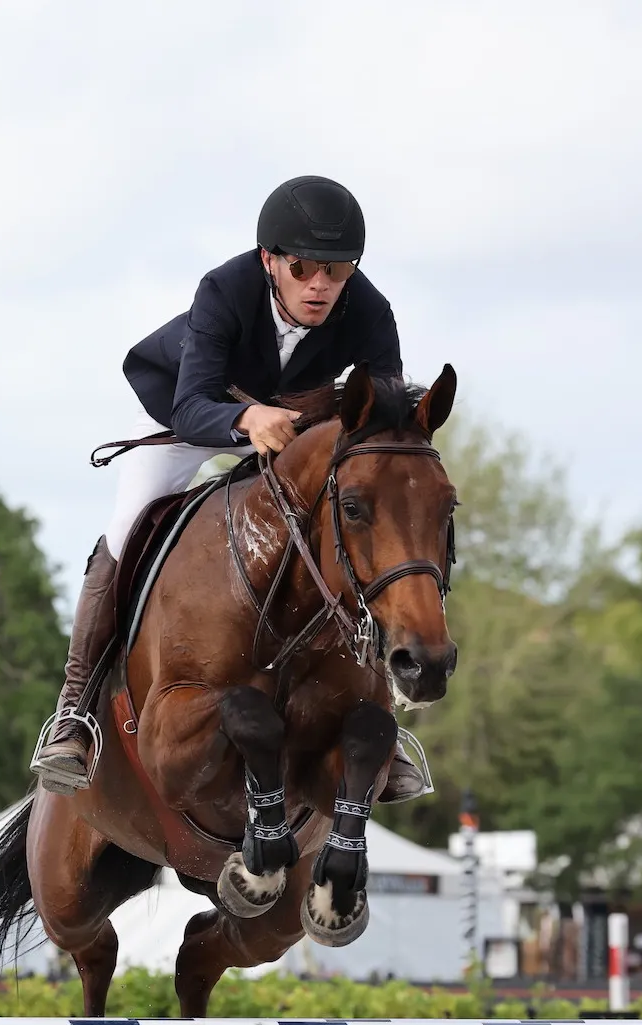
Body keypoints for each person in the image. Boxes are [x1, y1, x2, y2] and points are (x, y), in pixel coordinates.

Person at [32, 174, 429, 803]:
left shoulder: (370, 310)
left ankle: (382, 714)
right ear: (271, 261)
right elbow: (191, 406)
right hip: (191, 415)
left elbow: (379, 416)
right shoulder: (225, 289)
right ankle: (75, 712)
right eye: (303, 268)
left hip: (297, 424)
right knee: (128, 526)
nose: (321, 285)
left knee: (357, 528)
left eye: (338, 269)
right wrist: (246, 420)